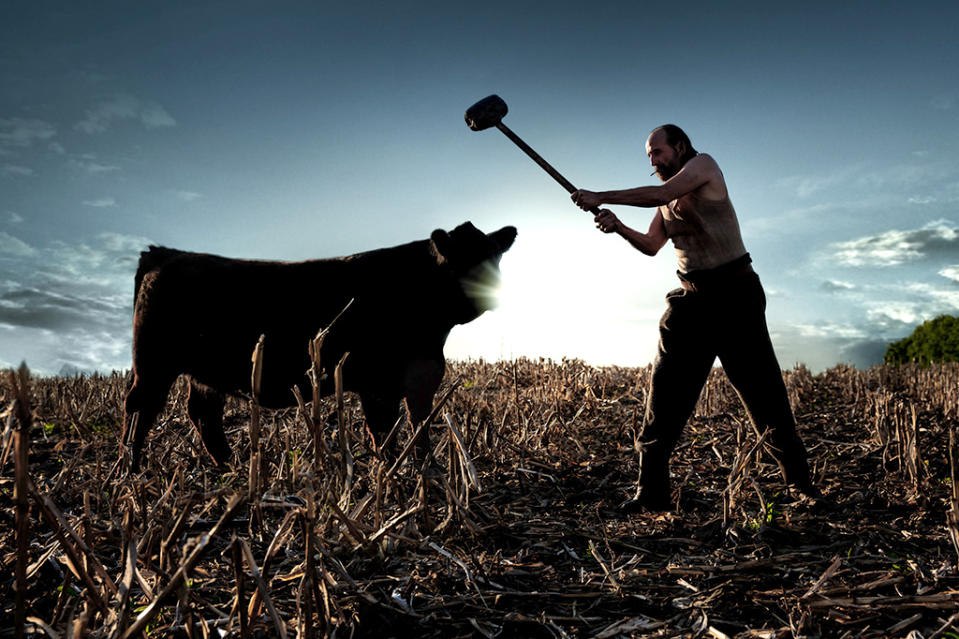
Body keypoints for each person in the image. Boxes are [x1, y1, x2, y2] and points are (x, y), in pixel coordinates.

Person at [571, 124, 818, 511]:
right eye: (649, 156)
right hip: (691, 301)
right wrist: (618, 226)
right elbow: (653, 246)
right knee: (664, 396)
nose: (653, 160)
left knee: (763, 394)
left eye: (658, 152)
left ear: (680, 147)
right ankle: (651, 493)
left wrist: (601, 196)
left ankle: (801, 485)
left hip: (736, 296)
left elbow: (664, 190)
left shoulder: (704, 166)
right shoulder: (662, 204)